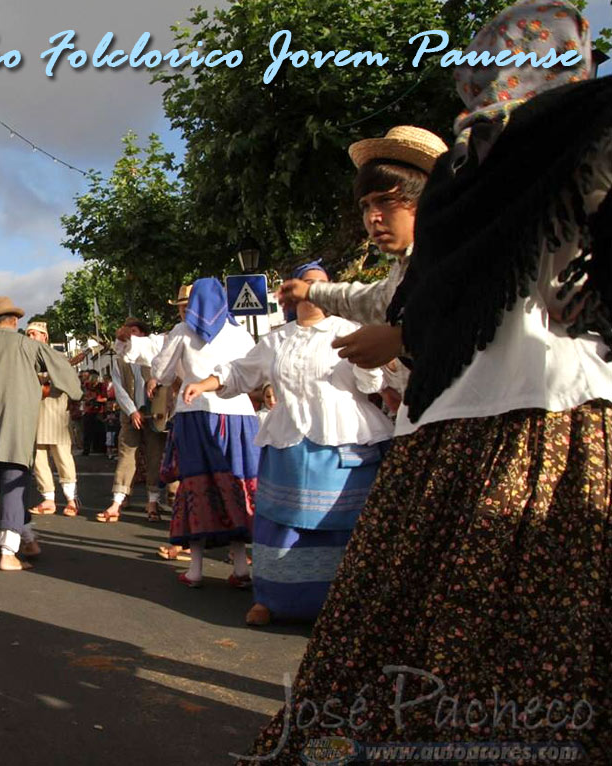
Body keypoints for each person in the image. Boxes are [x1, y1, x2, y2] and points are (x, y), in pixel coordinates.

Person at [240, 2, 611, 759]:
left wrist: (400, 334)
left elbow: (423, 305)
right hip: (528, 422)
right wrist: (346, 306)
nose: (379, 214)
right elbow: (415, 297)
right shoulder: (518, 162)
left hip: (512, 422)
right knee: (515, 626)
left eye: (391, 198)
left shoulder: (530, 154)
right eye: (370, 202)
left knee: (425, 617)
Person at [185, 261, 393, 625]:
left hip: (342, 438)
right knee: (279, 522)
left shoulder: (350, 330)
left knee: (342, 523)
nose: (314, 290)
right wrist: (205, 384)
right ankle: (272, 599)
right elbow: (240, 371)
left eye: (321, 284)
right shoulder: (277, 339)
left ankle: (346, 603)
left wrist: (365, 361)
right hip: (288, 441)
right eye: (307, 283)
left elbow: (370, 385)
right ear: (293, 292)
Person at [276, 124, 447, 405]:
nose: (372, 217)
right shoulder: (404, 270)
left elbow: (478, 311)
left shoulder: (457, 253)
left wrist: (401, 339)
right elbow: (372, 299)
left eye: (385, 201)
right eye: (366, 205)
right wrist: (311, 292)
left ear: (427, 199)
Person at [117, 278, 259, 588]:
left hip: (196, 416)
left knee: (197, 489)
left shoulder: (182, 332)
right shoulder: (240, 333)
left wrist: (170, 371)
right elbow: (252, 375)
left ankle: (196, 569)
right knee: (235, 487)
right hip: (240, 418)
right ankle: (240, 567)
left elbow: (162, 372)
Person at [0, 296, 83, 571]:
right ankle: (7, 552)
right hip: (16, 427)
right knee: (15, 484)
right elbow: (62, 368)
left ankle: (28, 539)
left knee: (3, 485)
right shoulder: (26, 345)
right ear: (14, 321)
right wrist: (75, 392)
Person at [96, 318, 171, 523]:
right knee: (126, 455)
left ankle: (153, 502)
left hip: (154, 414)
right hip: (131, 415)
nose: (131, 336)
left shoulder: (156, 355)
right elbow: (119, 388)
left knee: (155, 457)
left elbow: (168, 377)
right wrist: (131, 412)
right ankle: (117, 501)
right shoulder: (121, 360)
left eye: (135, 331)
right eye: (128, 332)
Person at [26, 321, 81, 517]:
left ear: (44, 337)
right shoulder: (24, 359)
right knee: (39, 460)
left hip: (56, 413)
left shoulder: (57, 357)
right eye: (28, 334)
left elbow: (71, 384)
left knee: (63, 459)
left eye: (35, 334)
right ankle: (48, 499)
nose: (31, 337)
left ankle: (70, 499)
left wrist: (45, 380)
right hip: (33, 414)